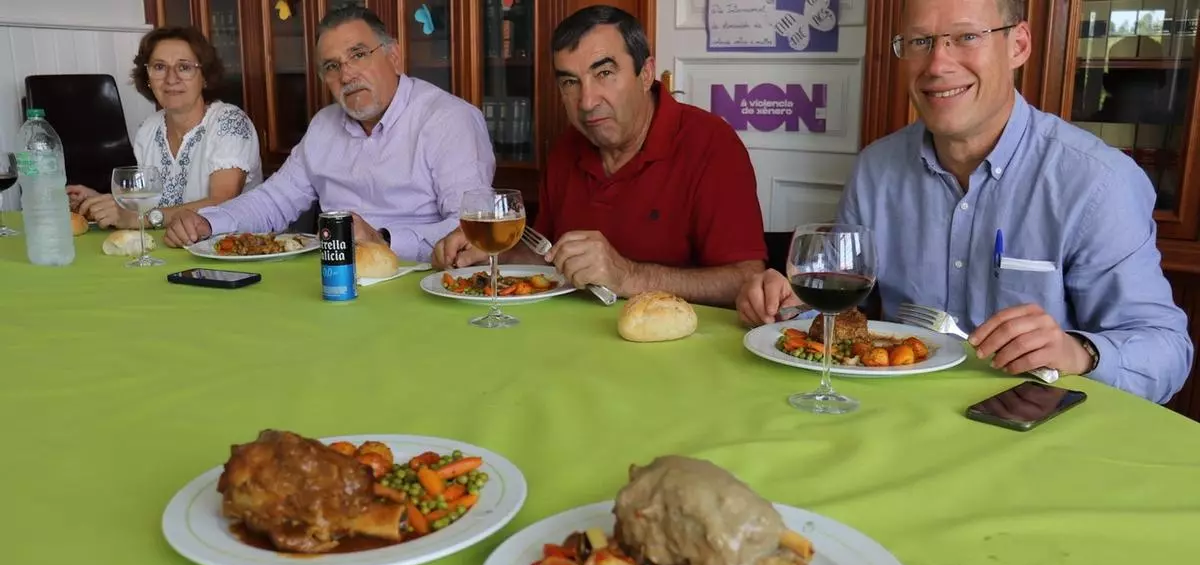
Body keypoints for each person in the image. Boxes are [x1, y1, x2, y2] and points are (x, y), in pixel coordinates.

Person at [736, 0, 1192, 404]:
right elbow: (856, 313)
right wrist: (791, 306)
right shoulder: (875, 169)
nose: (937, 64)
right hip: (890, 415)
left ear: (1018, 45)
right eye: (920, 41)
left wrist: (1080, 352)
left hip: (1029, 429)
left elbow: (1167, 351)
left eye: (967, 37)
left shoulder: (1098, 182)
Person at [432, 5, 766, 306]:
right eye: (570, 82)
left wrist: (629, 276)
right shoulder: (567, 148)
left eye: (604, 73)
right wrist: (496, 253)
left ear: (646, 73)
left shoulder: (711, 144)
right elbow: (550, 259)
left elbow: (746, 279)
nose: (587, 101)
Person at [163, 6, 494, 262]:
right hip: (332, 276)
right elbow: (273, 201)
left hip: (417, 279)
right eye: (332, 66)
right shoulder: (324, 125)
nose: (346, 75)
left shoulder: (448, 120)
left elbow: (472, 226)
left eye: (358, 55)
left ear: (394, 57)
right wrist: (209, 223)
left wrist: (384, 240)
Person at [67, 26, 261, 230]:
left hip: (230, 245)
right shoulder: (149, 129)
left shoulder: (230, 122)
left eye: (184, 67)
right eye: (159, 67)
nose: (171, 79)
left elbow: (222, 203)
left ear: (204, 76)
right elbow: (143, 203)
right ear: (148, 78)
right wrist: (102, 202)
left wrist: (140, 219)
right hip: (170, 243)